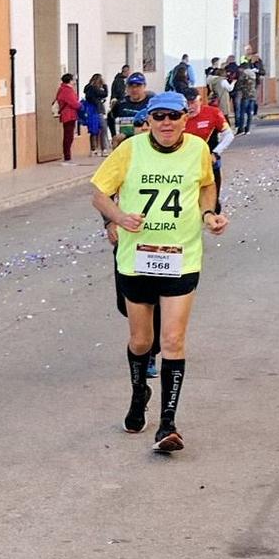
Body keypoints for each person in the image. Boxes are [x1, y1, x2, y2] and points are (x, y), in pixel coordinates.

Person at [90, 91, 228, 455]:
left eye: (174, 116)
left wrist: (208, 214)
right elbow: (98, 192)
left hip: (181, 257)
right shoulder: (130, 150)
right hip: (137, 258)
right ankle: (139, 396)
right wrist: (118, 218)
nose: (166, 123)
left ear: (186, 117)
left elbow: (206, 184)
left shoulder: (198, 149)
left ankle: (168, 423)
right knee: (141, 341)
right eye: (159, 116)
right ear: (148, 120)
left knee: (173, 341)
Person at [181, 85, 234, 214]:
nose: (190, 106)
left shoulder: (213, 113)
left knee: (213, 201)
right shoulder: (178, 117)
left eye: (193, 102)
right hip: (186, 163)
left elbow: (229, 135)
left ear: (200, 100)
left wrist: (216, 152)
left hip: (210, 161)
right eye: (186, 103)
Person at [55, 74, 80, 162]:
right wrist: (80, 105)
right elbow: (74, 103)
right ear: (70, 80)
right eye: (73, 80)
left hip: (67, 115)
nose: (74, 81)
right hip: (69, 115)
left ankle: (67, 154)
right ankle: (67, 155)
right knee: (68, 136)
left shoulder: (62, 89)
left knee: (68, 135)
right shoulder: (67, 90)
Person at [232, 59, 259, 134]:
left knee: (242, 112)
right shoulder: (253, 74)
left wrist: (235, 90)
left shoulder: (244, 73)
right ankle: (248, 129)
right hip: (253, 95)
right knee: (250, 112)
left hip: (245, 95)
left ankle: (241, 128)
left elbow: (239, 84)